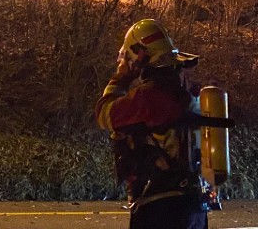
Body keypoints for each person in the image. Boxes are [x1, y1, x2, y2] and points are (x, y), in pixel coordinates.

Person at [95, 19, 225, 229]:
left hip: (161, 208)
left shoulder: (149, 97)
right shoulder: (188, 92)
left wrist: (120, 78)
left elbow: (104, 114)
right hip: (194, 206)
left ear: (140, 54)